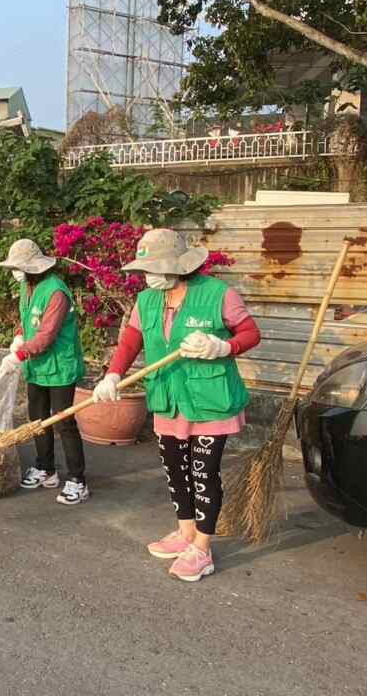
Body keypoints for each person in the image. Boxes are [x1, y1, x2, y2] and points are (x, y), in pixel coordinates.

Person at [92, 228, 261, 582]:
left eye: (153, 268)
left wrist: (223, 347)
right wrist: (112, 375)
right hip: (168, 398)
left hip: (210, 401)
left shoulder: (218, 295)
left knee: (203, 473)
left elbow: (250, 333)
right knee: (175, 469)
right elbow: (131, 340)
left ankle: (202, 546)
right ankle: (185, 532)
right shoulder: (147, 300)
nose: (146, 275)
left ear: (177, 266)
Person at [0, 239, 89, 505]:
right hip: (37, 367)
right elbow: (27, 322)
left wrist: (20, 354)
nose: (15, 272)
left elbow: (47, 334)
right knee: (36, 419)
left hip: (60, 366)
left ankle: (77, 479)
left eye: (18, 268)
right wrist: (18, 338)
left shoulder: (56, 292)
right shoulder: (27, 287)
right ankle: (46, 468)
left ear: (33, 267)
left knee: (63, 422)